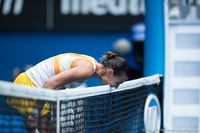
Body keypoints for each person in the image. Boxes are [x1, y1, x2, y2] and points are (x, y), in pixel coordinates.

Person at [7, 52, 129, 133]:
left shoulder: (89, 66)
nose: (116, 87)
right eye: (118, 83)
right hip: (32, 85)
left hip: (31, 84)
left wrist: (56, 116)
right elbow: (50, 83)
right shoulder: (86, 70)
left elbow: (59, 88)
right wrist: (35, 114)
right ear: (110, 72)